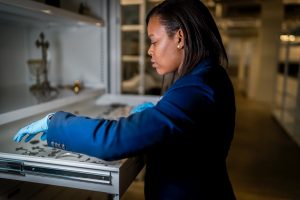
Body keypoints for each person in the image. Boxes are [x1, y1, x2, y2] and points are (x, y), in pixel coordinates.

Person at [13, 0, 236, 199]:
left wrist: (54, 123)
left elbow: (113, 140)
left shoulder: (197, 87)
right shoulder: (209, 76)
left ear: (179, 37)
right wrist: (158, 112)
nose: (149, 51)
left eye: (154, 41)